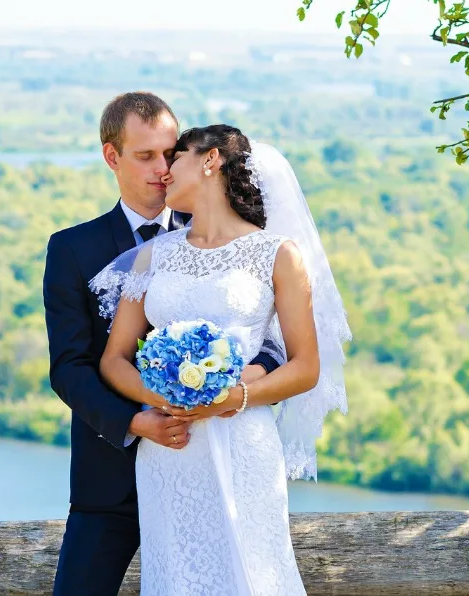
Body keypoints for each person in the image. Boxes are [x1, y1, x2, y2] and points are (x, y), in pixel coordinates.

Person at [92, 124, 350, 594]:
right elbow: (114, 360)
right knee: (177, 576)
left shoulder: (277, 255)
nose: (165, 171)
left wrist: (232, 397)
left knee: (250, 573)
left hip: (243, 440)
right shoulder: (153, 256)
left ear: (210, 161)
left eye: (177, 157)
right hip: (170, 446)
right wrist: (166, 398)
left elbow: (305, 366)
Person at [43, 93, 284, 595]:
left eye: (170, 153)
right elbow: (69, 367)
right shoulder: (72, 248)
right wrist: (136, 421)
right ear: (112, 157)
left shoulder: (234, 242)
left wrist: (224, 390)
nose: (162, 168)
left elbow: (272, 346)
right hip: (109, 479)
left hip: (214, 464)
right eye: (145, 155)